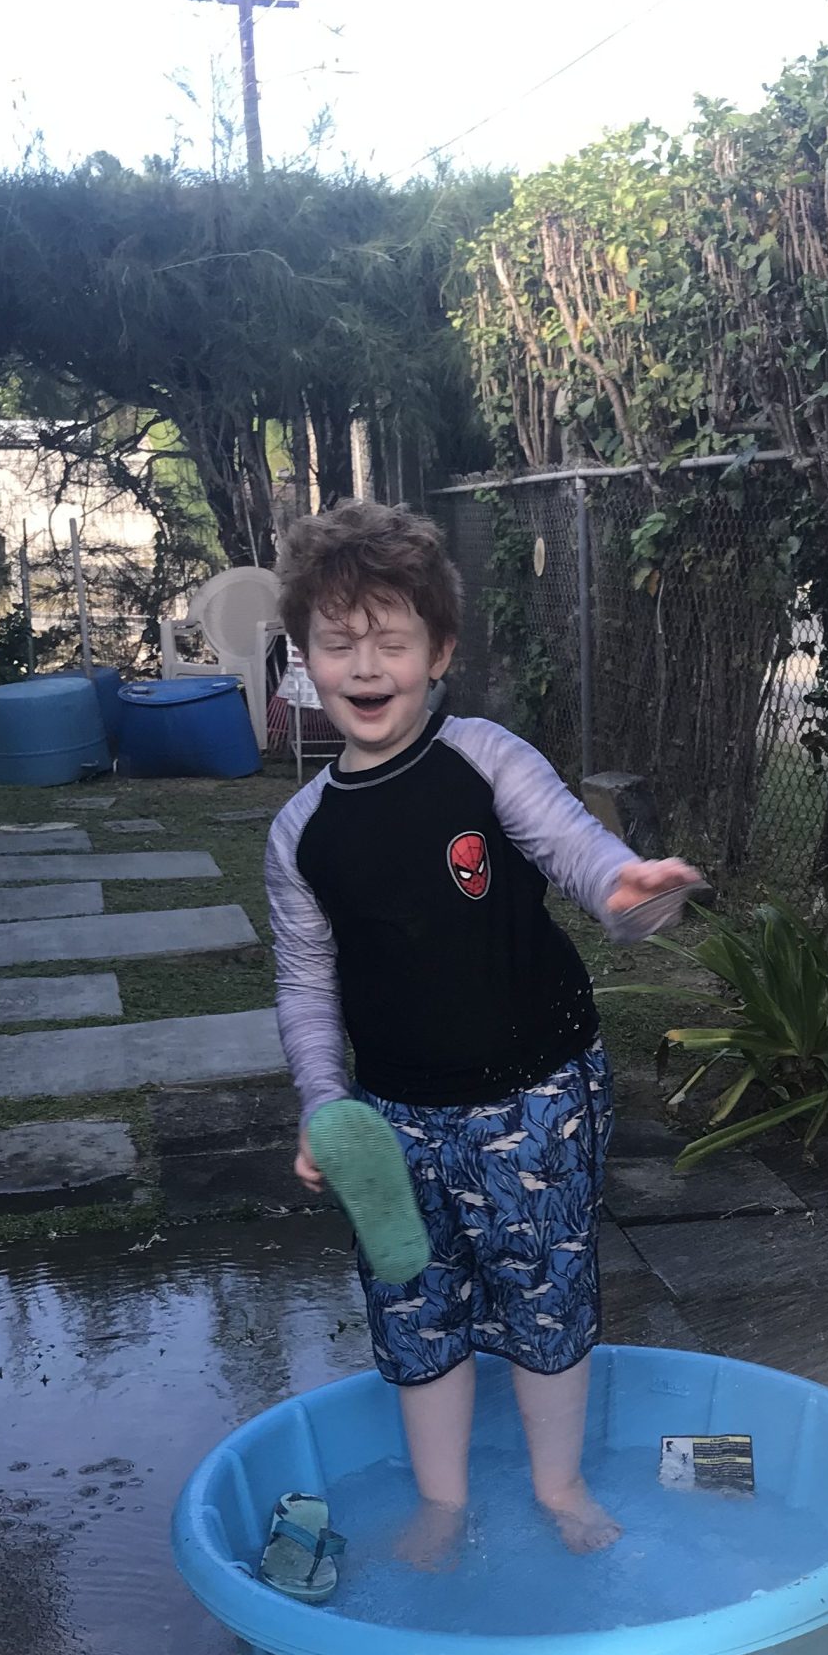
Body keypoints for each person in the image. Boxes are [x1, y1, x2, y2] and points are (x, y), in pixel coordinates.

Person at [265, 500, 702, 1567]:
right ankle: (443, 1502)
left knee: (546, 1292)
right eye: (338, 642)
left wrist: (629, 892)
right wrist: (324, 1101)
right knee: (414, 1306)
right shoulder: (301, 834)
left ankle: (558, 1484)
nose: (367, 666)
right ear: (304, 660)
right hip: (395, 1121)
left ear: (441, 652)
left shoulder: (484, 758)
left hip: (538, 1092)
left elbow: (576, 849)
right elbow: (307, 982)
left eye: (392, 640)